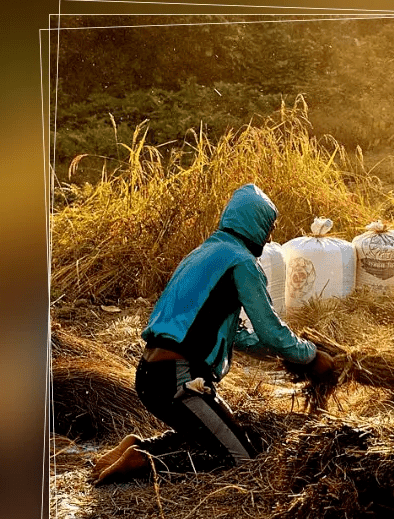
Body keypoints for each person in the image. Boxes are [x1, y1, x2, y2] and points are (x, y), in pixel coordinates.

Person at [93, 183, 334, 484]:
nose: (270, 236)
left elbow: (239, 336)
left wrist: (284, 356)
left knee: (219, 433)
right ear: (255, 223)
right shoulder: (242, 263)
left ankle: (136, 445)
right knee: (240, 456)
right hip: (179, 379)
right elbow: (271, 331)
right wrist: (310, 356)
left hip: (150, 375)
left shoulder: (204, 253)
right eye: (269, 227)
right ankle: (144, 460)